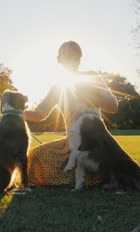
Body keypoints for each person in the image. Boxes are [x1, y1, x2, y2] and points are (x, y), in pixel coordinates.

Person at [24, 41, 118, 187]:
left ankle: (92, 176)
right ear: (59, 60)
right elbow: (39, 115)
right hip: (72, 143)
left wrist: (92, 96)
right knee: (35, 156)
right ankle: (87, 178)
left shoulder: (92, 77)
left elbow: (113, 107)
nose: (72, 60)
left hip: (96, 140)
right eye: (67, 57)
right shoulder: (57, 86)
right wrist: (14, 113)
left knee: (105, 163)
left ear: (80, 59)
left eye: (75, 57)